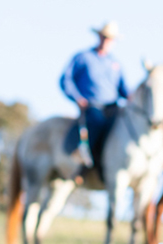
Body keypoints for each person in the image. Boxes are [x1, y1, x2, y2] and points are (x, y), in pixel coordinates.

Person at [60, 21, 129, 180]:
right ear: (99, 36)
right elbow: (66, 80)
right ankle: (85, 163)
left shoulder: (115, 64)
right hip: (91, 106)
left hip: (112, 107)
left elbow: (124, 90)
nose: (107, 41)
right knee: (96, 121)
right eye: (104, 37)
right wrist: (77, 98)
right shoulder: (83, 57)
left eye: (110, 39)